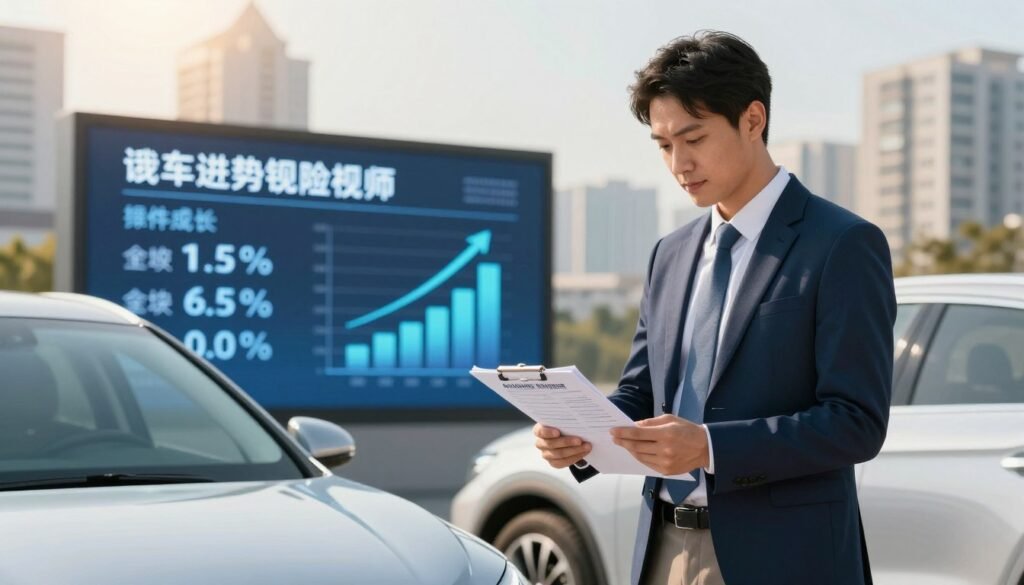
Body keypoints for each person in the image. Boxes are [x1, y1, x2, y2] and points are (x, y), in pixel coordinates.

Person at [533, 30, 896, 585]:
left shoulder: (842, 244)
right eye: (662, 145)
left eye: (693, 138)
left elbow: (856, 423)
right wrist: (580, 436)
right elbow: (641, 392)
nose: (678, 163)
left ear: (753, 119)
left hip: (785, 560)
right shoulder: (670, 254)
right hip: (662, 546)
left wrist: (707, 446)